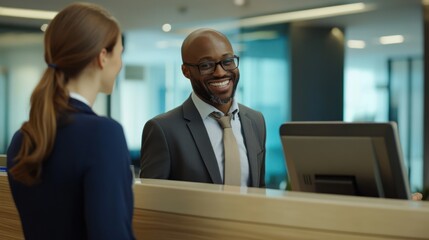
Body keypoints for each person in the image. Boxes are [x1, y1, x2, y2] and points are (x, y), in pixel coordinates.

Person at [6, 3, 135, 239]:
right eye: (120, 52)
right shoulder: (104, 134)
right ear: (102, 57)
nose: (121, 63)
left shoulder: (23, 138)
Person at [140, 28, 266, 187]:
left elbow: (260, 190)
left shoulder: (255, 121)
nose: (220, 73)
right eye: (206, 65)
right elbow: (151, 203)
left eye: (227, 61)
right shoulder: (163, 130)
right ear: (186, 71)